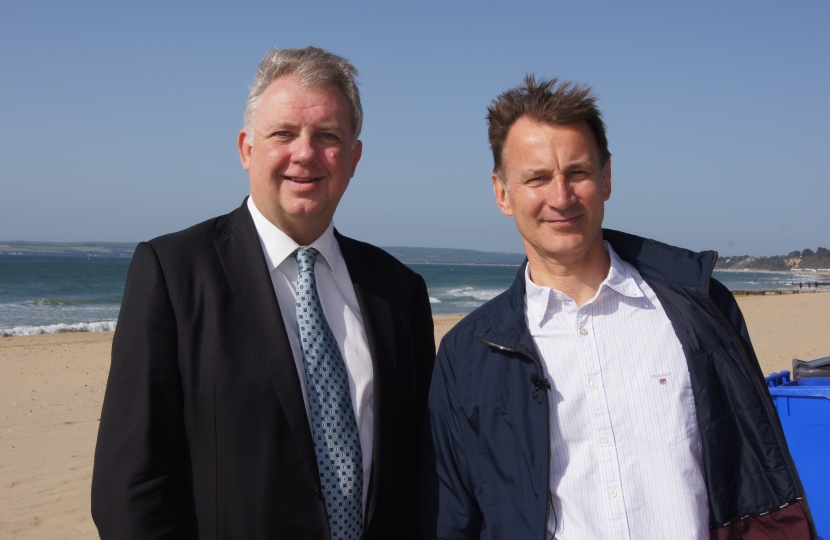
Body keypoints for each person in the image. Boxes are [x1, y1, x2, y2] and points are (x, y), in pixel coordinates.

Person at [420, 76, 816, 539]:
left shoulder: (702, 310)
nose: (561, 196)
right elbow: (453, 519)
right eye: (537, 178)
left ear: (606, 178)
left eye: (578, 172)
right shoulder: (468, 354)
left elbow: (758, 469)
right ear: (503, 193)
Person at [92, 46, 435, 539]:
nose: (305, 153)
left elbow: (419, 472)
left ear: (354, 157)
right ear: (246, 149)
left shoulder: (398, 290)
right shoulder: (173, 274)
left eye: (327, 136)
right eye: (283, 134)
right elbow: (130, 489)